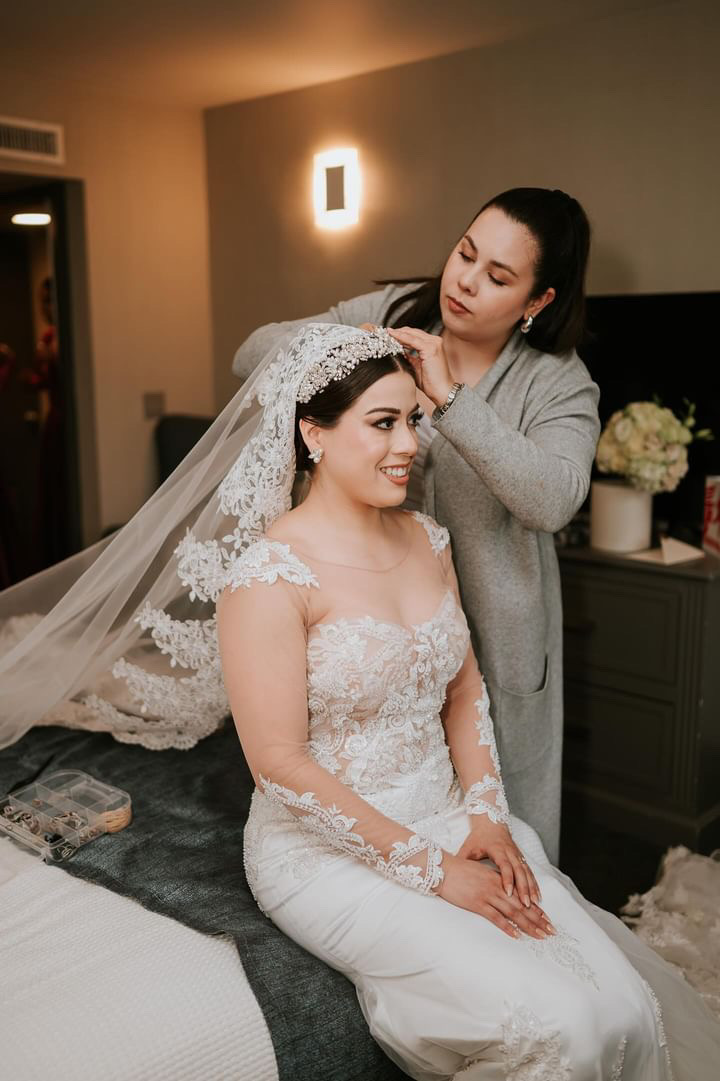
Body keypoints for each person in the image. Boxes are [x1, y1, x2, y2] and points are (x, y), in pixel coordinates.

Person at [0, 322, 718, 1078]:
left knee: (623, 1005)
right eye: (382, 423)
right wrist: (434, 869)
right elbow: (279, 764)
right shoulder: (268, 576)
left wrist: (486, 813)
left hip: (450, 815)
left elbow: (463, 688)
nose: (409, 443)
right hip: (325, 856)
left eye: (412, 419)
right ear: (313, 433)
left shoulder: (428, 540)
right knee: (564, 1025)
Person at [231, 188, 600, 864]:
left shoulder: (555, 382)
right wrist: (348, 351)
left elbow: (553, 500)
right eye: (465, 253)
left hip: (493, 639)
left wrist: (451, 399)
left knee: (506, 846)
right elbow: (250, 352)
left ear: (538, 300)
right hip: (366, 627)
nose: (465, 281)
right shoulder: (397, 311)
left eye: (498, 277)